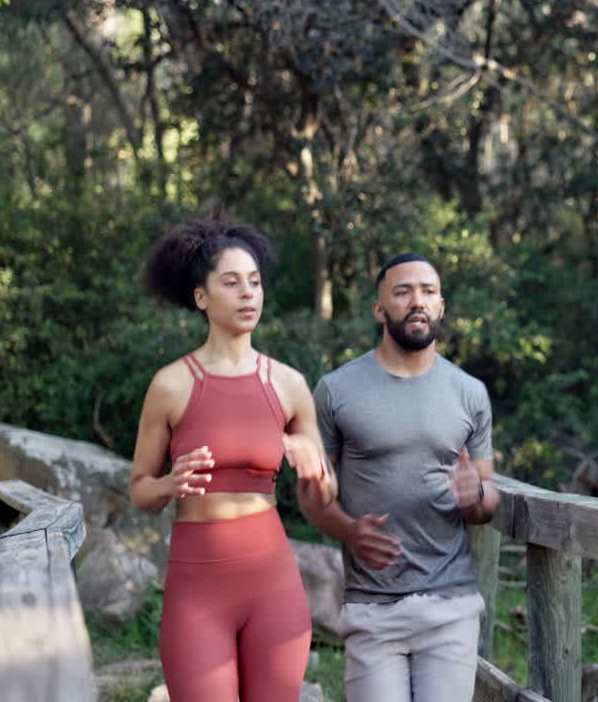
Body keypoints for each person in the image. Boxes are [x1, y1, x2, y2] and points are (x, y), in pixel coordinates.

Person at [128, 212, 337, 702]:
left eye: (255, 282)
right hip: (197, 592)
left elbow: (326, 494)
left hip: (274, 587)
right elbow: (139, 490)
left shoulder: (288, 385)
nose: (248, 294)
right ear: (201, 297)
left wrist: (316, 472)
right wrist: (169, 484)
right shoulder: (171, 385)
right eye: (231, 282)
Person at [307, 252, 500, 702]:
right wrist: (348, 530)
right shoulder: (336, 390)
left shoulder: (470, 393)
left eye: (428, 292)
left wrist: (476, 497)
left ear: (440, 306)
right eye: (403, 292)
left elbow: (487, 494)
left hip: (450, 604)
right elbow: (312, 496)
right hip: (372, 607)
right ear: (380, 309)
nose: (417, 301)